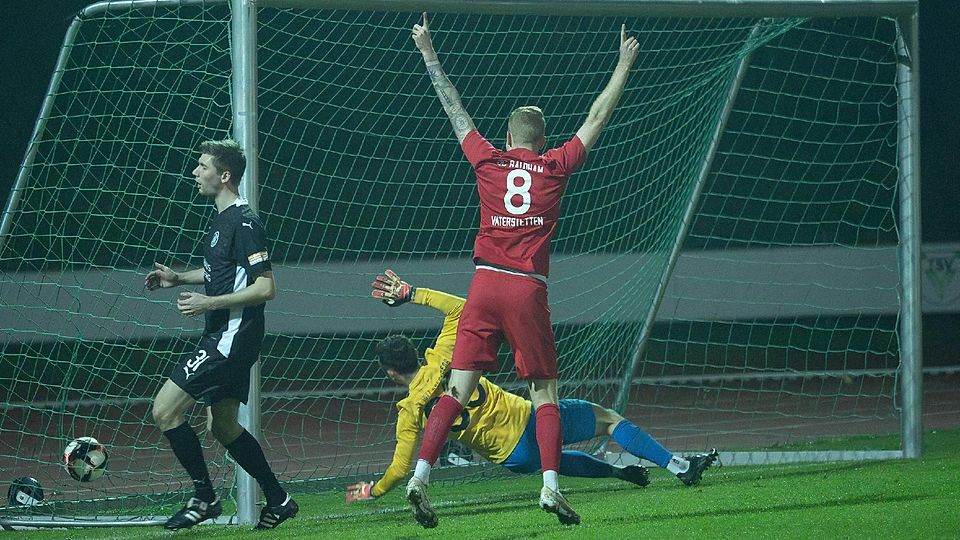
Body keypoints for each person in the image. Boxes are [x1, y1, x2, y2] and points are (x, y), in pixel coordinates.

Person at [406, 12, 640, 527]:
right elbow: (597, 117)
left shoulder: (487, 162)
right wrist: (623, 64)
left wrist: (428, 52)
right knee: (544, 392)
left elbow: (456, 111)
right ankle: (551, 488)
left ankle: (422, 475)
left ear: (508, 136)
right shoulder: (556, 166)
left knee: (456, 390)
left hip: (484, 283)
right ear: (541, 138)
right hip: (526, 289)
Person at [349, 271, 718, 505]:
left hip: (512, 457)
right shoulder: (443, 354)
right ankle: (677, 465)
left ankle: (616, 472)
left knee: (548, 459)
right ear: (415, 353)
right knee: (606, 420)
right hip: (525, 418)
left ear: (391, 374)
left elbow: (400, 468)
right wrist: (411, 293)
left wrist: (374, 490)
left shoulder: (408, 410)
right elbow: (462, 310)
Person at [144, 139, 298, 530]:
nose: (196, 172)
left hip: (231, 337)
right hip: (228, 336)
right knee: (223, 426)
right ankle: (279, 500)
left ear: (224, 175)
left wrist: (207, 304)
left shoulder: (245, 223)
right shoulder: (222, 220)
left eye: (202, 167)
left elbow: (266, 288)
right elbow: (222, 273)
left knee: (164, 410)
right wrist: (178, 277)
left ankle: (205, 497)